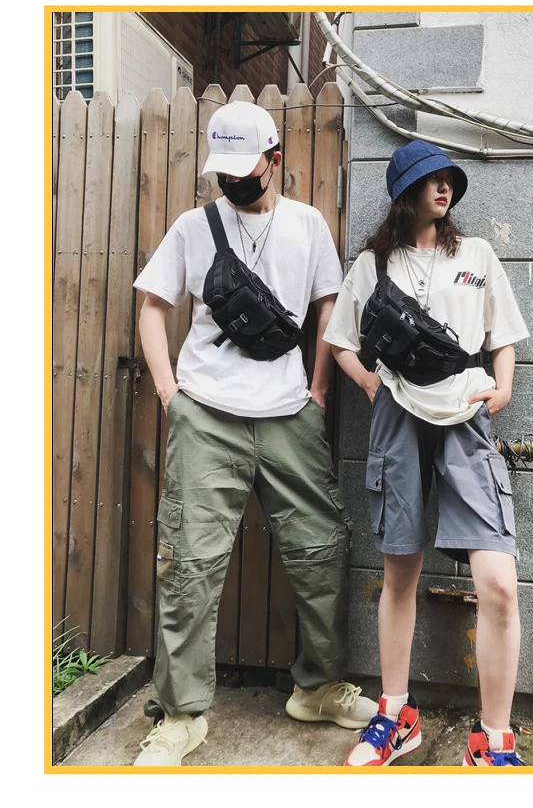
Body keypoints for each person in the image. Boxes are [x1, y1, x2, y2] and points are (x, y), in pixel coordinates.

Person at [131, 100, 377, 766]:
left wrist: (318, 389)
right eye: (225, 173)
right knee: (188, 562)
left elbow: (329, 307)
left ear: (275, 160)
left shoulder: (307, 224)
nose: (234, 182)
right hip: (206, 414)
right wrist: (170, 393)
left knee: (321, 548)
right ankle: (181, 716)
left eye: (246, 170)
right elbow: (152, 308)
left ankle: (318, 689)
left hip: (289, 412)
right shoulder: (193, 227)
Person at [323, 140, 530, 767]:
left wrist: (503, 387)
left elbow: (504, 334)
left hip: (466, 418)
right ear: (403, 193)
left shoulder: (476, 254)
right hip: (398, 417)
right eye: (430, 180)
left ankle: (493, 741)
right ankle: (396, 717)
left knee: (499, 585)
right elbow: (340, 340)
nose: (444, 189)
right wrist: (370, 384)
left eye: (448, 180)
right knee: (399, 573)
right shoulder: (373, 266)